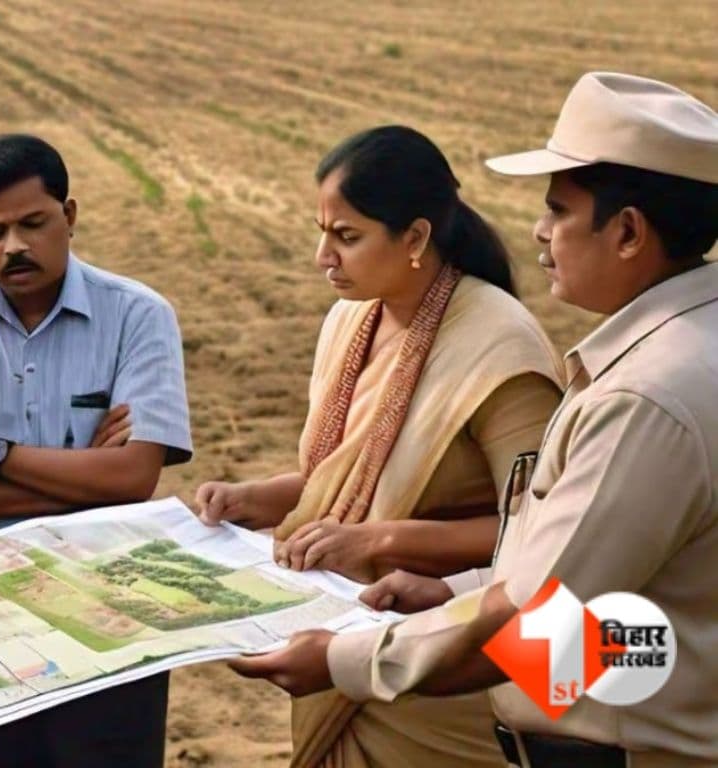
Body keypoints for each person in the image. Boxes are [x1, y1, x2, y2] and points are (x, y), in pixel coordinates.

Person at [233, 72, 718, 768]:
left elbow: (538, 615)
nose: (539, 231)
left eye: (558, 210)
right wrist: (457, 592)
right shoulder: (682, 352)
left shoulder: (643, 399)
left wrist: (344, 660)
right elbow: (615, 590)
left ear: (629, 231)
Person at [193, 125, 564, 767]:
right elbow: (343, 481)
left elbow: (543, 534)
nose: (323, 257)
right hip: (342, 639)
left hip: (438, 670)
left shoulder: (500, 349)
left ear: (415, 237)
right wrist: (255, 498)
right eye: (323, 231)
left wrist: (380, 542)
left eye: (347, 236)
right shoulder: (351, 318)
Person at [0, 134, 194, 768]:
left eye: (34, 223)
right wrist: (85, 478)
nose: (15, 246)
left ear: (70, 216)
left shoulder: (138, 315)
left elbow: (134, 475)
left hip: (116, 599)